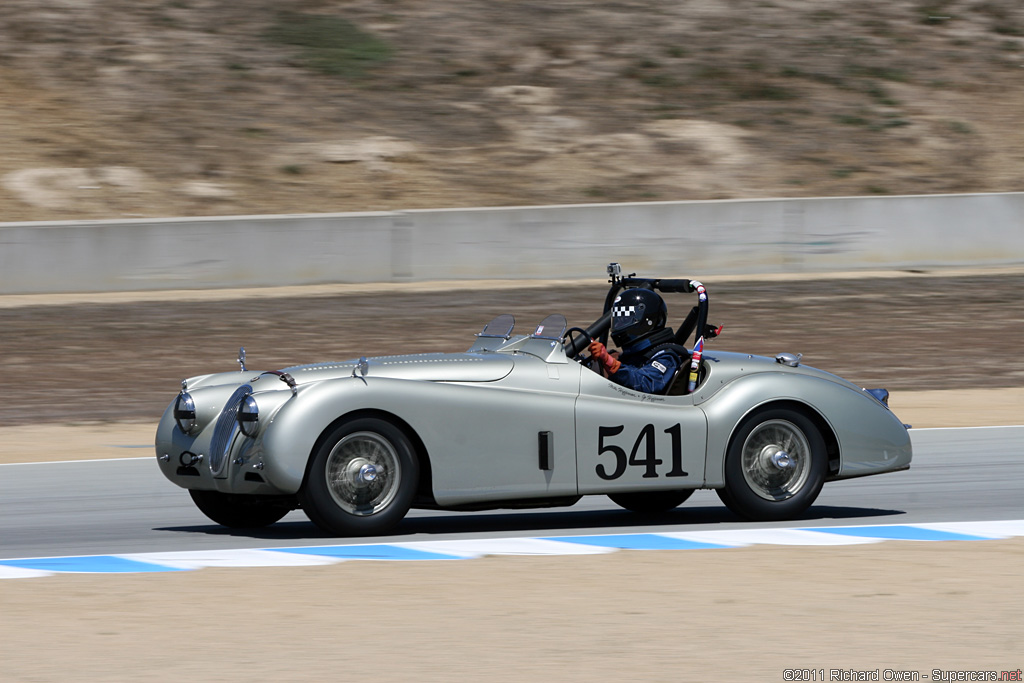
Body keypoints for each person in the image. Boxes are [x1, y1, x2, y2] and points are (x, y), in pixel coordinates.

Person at [587, 288, 685, 394]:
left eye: (625, 319)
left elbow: (646, 384)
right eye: (618, 319)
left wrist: (611, 363)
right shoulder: (633, 356)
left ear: (647, 321)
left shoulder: (666, 357)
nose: (619, 324)